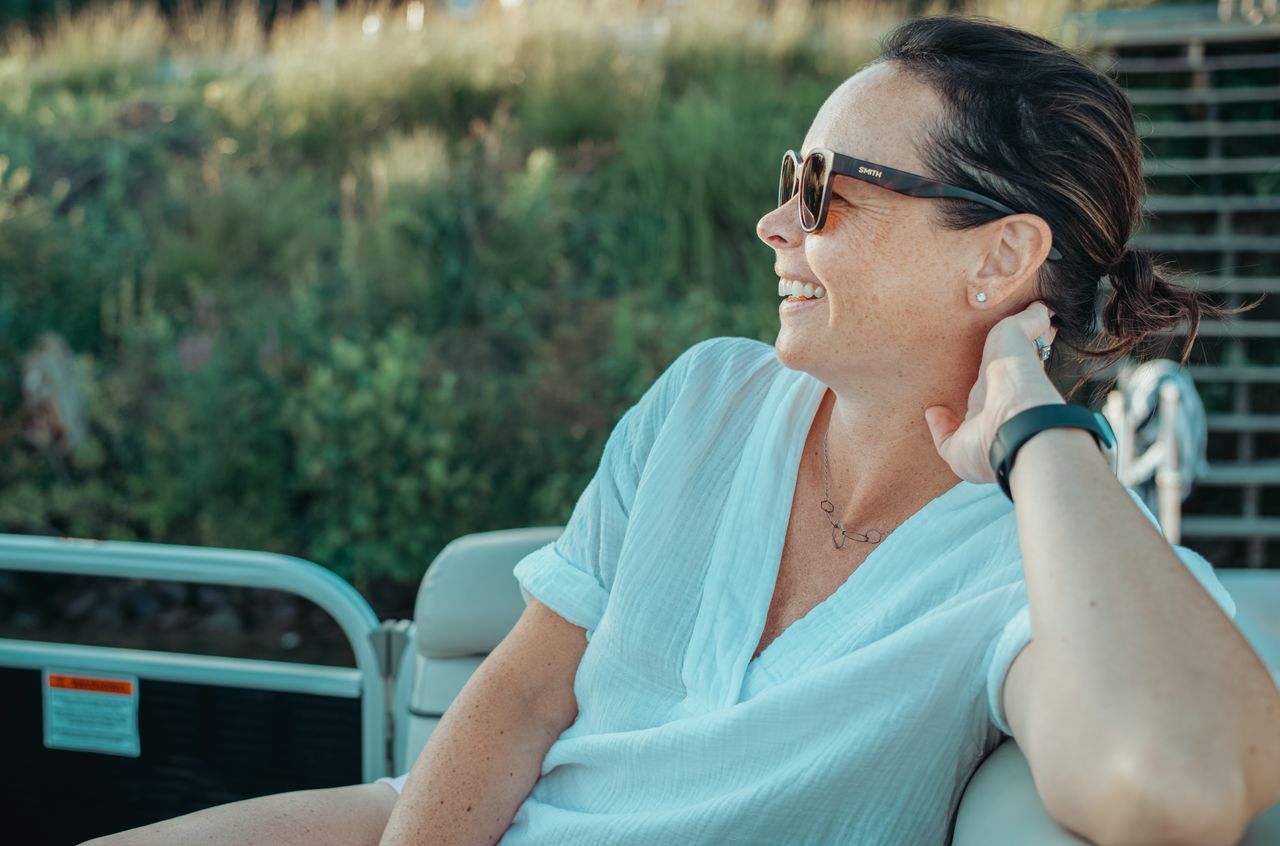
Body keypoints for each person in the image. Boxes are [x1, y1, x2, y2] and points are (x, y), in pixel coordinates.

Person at [83, 14, 1278, 846]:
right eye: (785, 176)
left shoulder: (1041, 566)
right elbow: (520, 700)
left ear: (1000, 259)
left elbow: (1174, 784)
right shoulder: (706, 397)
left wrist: (1038, 435)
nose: (773, 222)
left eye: (825, 192)